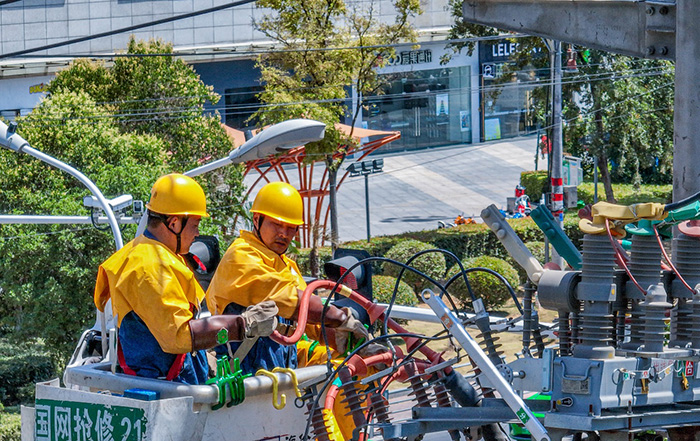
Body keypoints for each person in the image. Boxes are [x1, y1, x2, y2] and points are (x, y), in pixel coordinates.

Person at [94, 173, 278, 384]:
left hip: (171, 383)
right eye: (195, 224)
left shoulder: (154, 254)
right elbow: (180, 336)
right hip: (162, 390)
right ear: (174, 223)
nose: (197, 233)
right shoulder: (149, 266)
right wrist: (243, 324)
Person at [206, 181, 369, 374]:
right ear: (257, 219)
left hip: (280, 370)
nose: (284, 234)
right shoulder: (240, 256)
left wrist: (359, 345)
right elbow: (289, 300)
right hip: (243, 374)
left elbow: (311, 323)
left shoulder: (286, 266)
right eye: (276, 224)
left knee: (354, 368)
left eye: (291, 227)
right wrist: (340, 317)